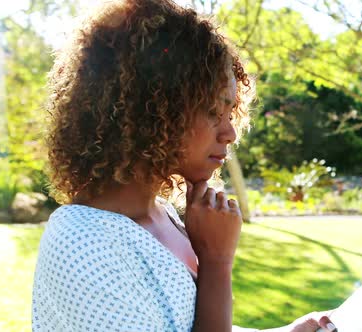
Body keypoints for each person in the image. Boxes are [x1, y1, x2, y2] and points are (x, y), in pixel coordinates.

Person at [31, 0, 337, 331]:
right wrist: (217, 262)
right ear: (150, 109)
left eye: (230, 112)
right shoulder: (83, 243)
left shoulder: (164, 214)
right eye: (212, 110)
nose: (230, 133)